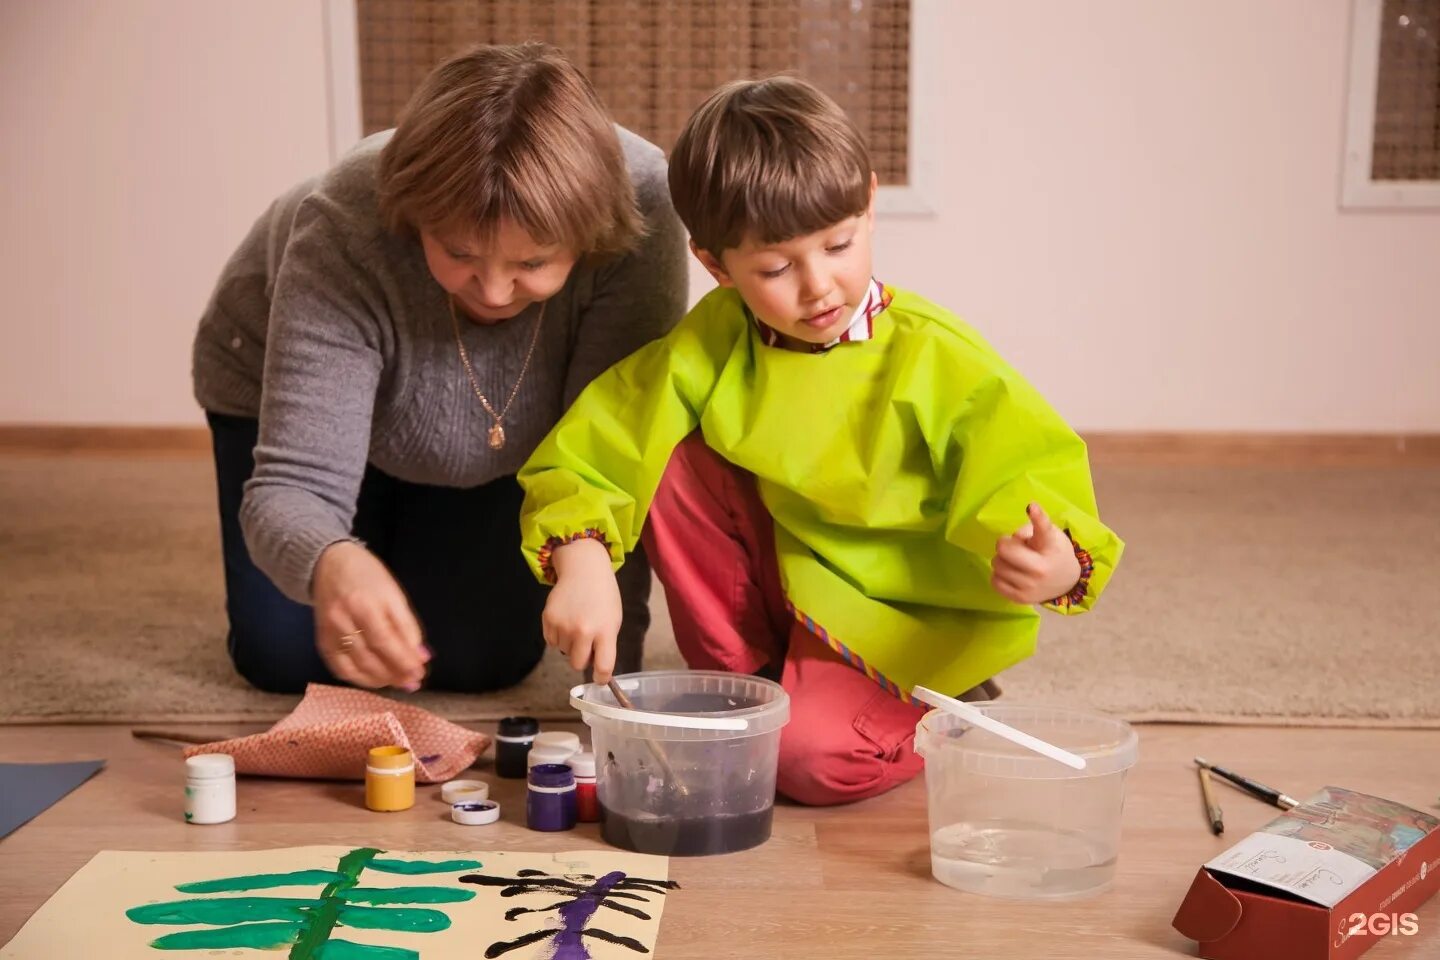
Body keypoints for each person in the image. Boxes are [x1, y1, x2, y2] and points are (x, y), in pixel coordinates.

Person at [517, 76, 1124, 805]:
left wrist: (1056, 560)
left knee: (807, 765)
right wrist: (582, 559)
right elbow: (603, 437)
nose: (819, 287)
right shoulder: (714, 336)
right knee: (670, 449)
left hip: (897, 618)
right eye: (775, 268)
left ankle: (940, 701)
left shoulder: (936, 356)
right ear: (716, 265)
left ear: (869, 204)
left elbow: (1023, 472)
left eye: (840, 244)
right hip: (789, 585)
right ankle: (746, 685)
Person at [192, 43, 687, 695]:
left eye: (532, 264)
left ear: (589, 237)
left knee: (478, 659)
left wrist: (613, 675)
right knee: (288, 657)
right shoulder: (347, 221)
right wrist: (333, 560)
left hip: (500, 434)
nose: (494, 291)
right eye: (458, 252)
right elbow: (297, 483)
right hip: (289, 398)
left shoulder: (643, 211)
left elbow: (613, 450)